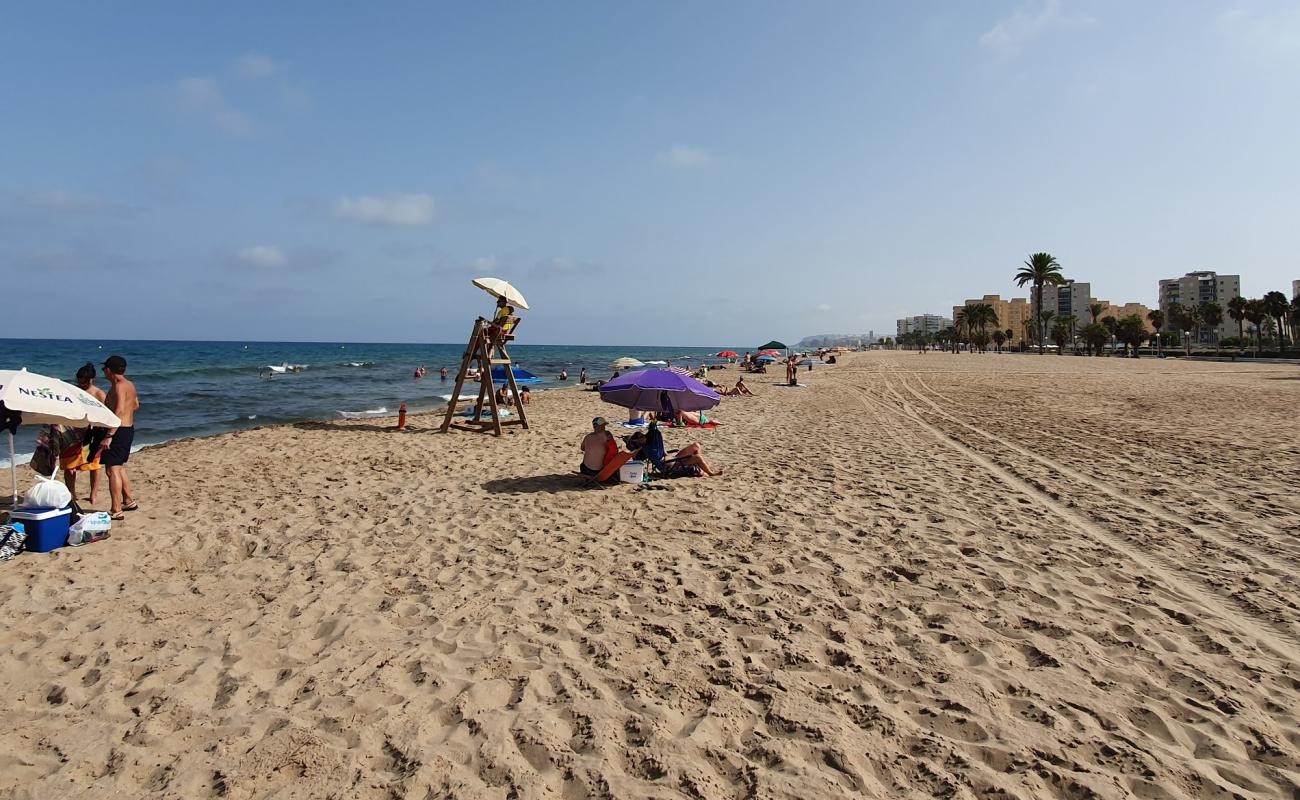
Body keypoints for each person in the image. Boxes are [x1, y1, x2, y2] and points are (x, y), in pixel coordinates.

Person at [100, 355, 139, 520]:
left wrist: (109, 434)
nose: (103, 372)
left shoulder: (119, 387)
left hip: (118, 431)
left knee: (112, 470)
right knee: (119, 467)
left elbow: (120, 410)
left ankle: (116, 509)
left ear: (109, 370)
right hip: (127, 429)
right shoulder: (129, 384)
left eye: (104, 369)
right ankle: (128, 500)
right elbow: (136, 405)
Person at [63, 362, 107, 504]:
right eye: (79, 381)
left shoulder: (98, 393)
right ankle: (72, 494)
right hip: (73, 433)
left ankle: (93, 494)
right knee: (70, 466)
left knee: (94, 465)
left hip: (92, 433)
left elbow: (107, 414)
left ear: (91, 379)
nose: (81, 384)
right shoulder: (74, 391)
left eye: (84, 381)